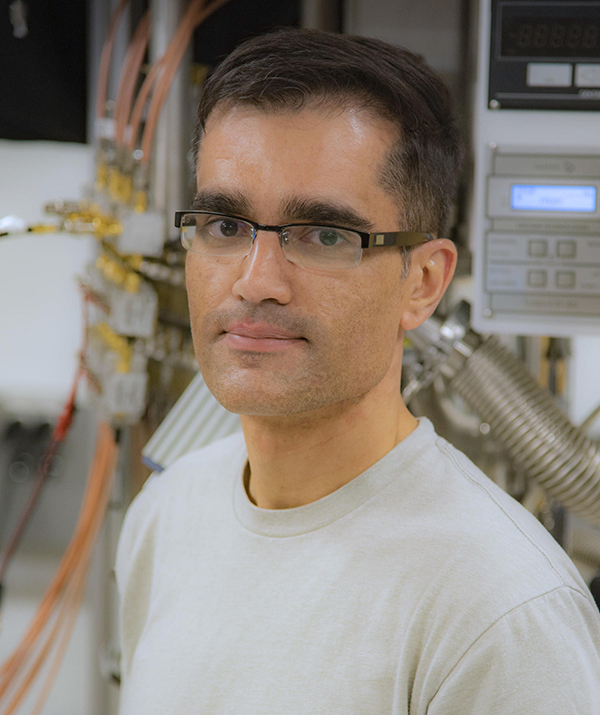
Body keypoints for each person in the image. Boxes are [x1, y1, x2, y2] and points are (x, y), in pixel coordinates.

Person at [115, 28, 600, 714]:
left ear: (423, 283)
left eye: (325, 235)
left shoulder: (500, 611)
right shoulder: (165, 518)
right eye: (225, 225)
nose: (257, 282)